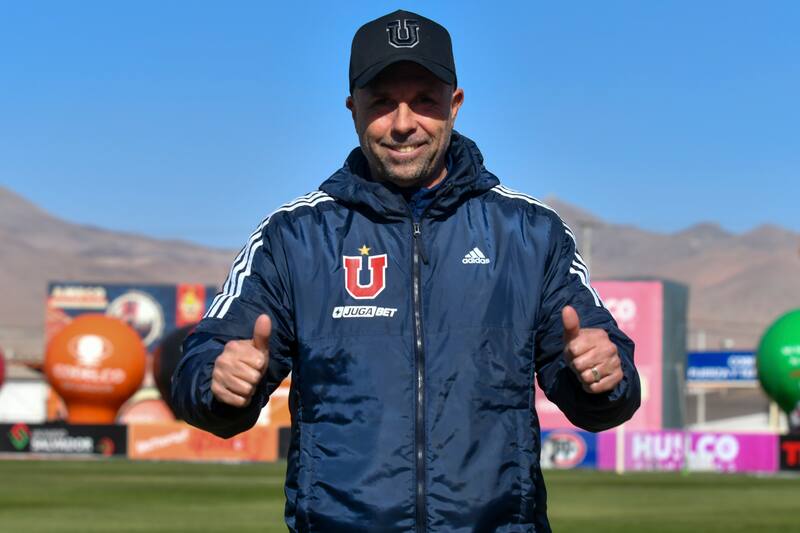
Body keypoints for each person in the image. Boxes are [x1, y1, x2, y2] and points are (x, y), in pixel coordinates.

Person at [172, 9, 640, 532]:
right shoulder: (294, 238)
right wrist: (217, 382)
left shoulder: (530, 234)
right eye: (381, 102)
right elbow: (199, 371)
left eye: (423, 101)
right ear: (352, 109)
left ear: (454, 105)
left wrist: (603, 378)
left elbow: (606, 394)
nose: (402, 123)